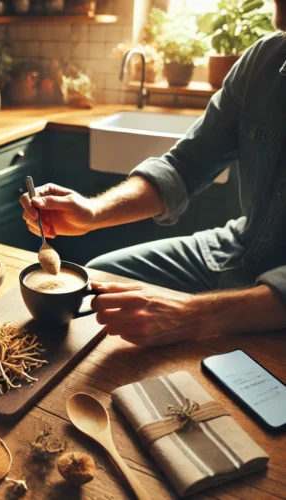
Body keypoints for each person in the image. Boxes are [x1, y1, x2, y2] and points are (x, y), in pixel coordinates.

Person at [20, 9, 286, 346]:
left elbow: (191, 315)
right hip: (236, 249)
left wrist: (192, 314)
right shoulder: (263, 61)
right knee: (102, 274)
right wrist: (92, 212)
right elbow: (181, 167)